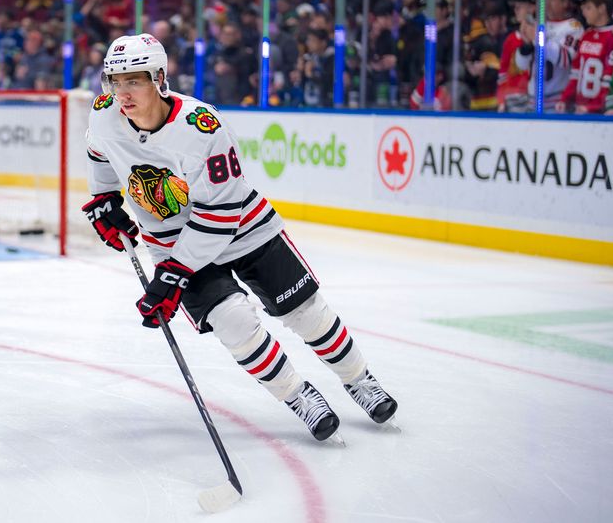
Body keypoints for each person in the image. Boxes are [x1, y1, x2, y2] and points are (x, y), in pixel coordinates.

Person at [81, 34, 398, 442]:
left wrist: (176, 272)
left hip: (242, 228)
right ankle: (298, 395)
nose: (121, 93)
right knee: (234, 323)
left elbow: (221, 213)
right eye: (114, 81)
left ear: (160, 78)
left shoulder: (200, 128)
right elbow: (100, 152)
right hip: (172, 242)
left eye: (134, 81)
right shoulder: (104, 113)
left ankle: (359, 380)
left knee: (306, 312)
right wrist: (104, 196)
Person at [514, 0, 583, 111]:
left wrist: (537, 38)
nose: (547, 4)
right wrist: (526, 45)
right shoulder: (536, 25)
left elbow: (565, 59)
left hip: (558, 103)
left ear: (565, 2)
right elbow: (521, 65)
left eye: (552, 0)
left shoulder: (572, 27)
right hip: (532, 101)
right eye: (545, 0)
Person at [557, 0, 613, 113]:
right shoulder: (587, 34)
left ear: (602, 9)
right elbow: (576, 73)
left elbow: (611, 78)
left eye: (588, 8)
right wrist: (564, 99)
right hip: (580, 107)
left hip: (603, 110)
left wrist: (595, 106)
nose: (584, 12)